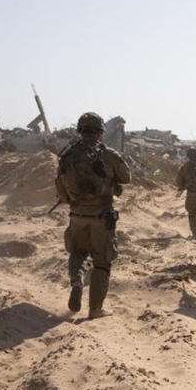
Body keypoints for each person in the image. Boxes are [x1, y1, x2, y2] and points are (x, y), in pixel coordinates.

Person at [55, 112, 131, 319]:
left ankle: (77, 282)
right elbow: (127, 178)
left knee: (77, 253)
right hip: (102, 217)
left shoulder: (67, 155)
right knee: (102, 262)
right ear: (100, 132)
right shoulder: (108, 154)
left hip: (77, 215)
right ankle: (95, 309)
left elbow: (60, 187)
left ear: (80, 130)